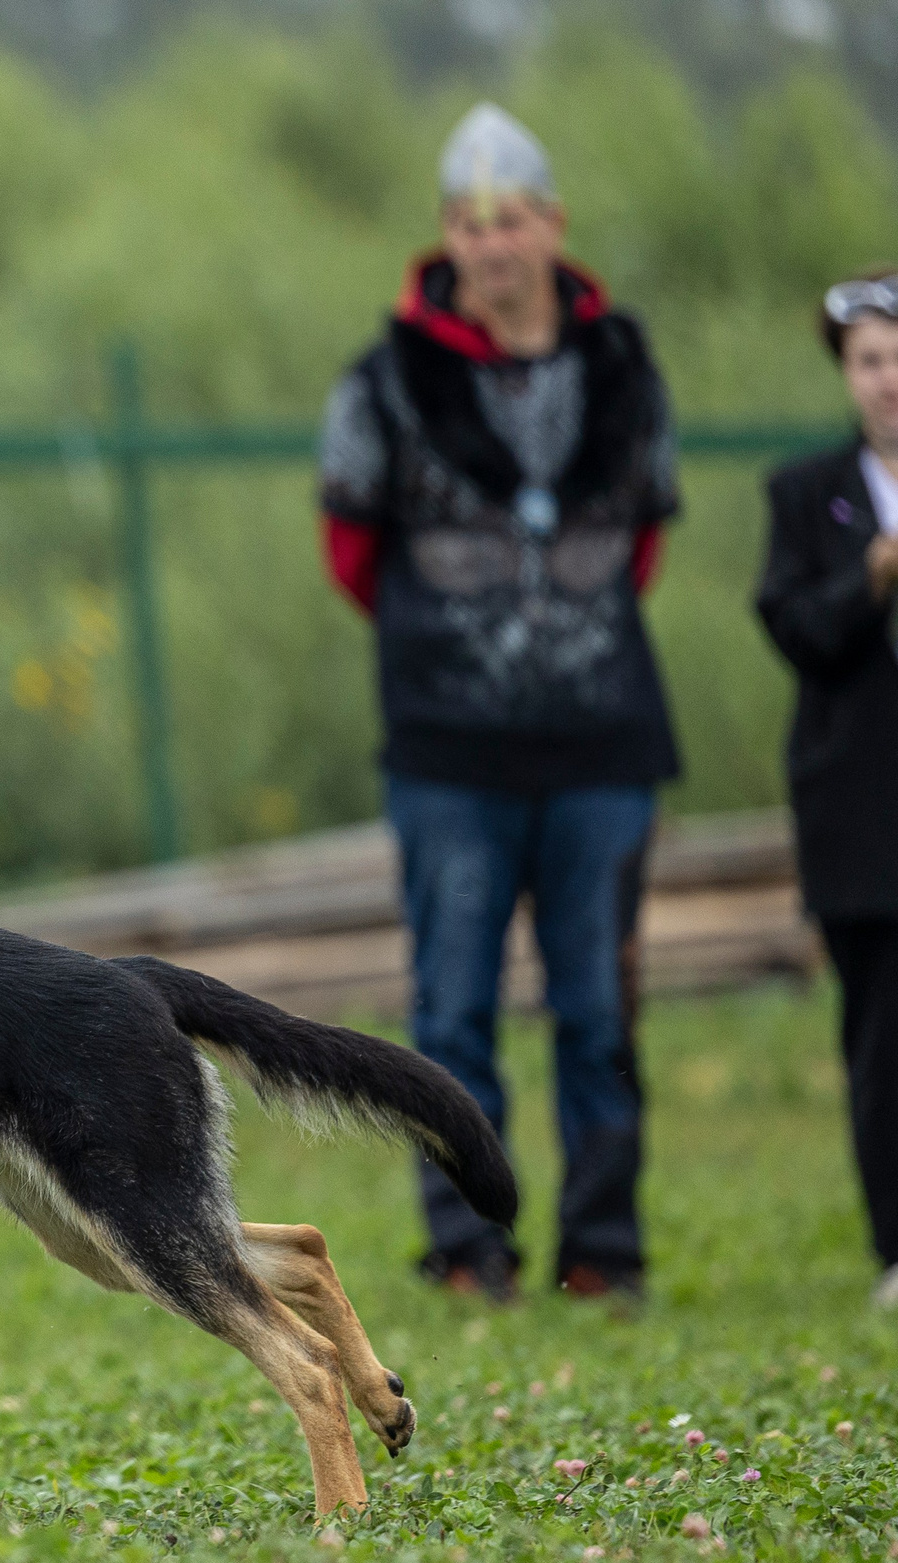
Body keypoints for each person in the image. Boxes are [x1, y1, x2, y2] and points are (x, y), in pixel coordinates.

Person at [315, 104, 682, 1303]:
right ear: (445, 237)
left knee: (598, 1008)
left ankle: (602, 1249)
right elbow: (350, 552)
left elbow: (644, 542)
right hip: (448, 756)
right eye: (470, 223)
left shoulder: (624, 365)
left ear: (552, 226)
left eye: (512, 219)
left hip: (602, 746)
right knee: (453, 1010)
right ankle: (466, 1247)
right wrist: (462, 656)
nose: (492, 243)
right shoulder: (380, 381)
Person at [755, 270, 898, 1310]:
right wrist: (873, 576)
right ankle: (897, 1245)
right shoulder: (809, 495)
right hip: (863, 811)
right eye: (870, 362)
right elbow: (795, 629)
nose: (889, 381)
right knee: (882, 1034)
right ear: (846, 375)